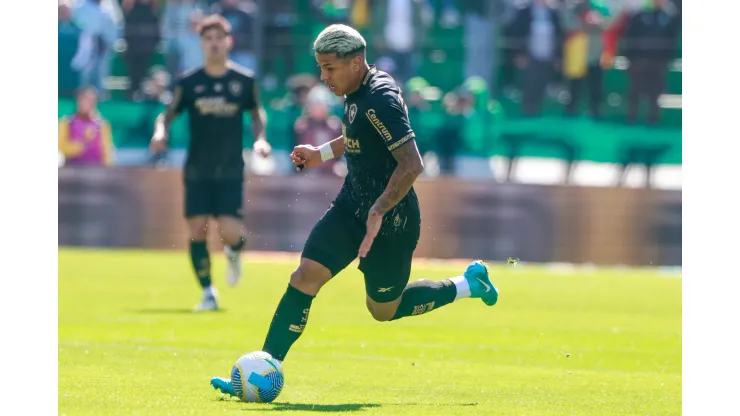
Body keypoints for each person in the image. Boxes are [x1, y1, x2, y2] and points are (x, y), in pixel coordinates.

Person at [209, 24, 499, 395]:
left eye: (329, 68)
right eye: (320, 68)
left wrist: (378, 211)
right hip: (351, 207)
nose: (323, 77)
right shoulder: (355, 89)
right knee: (304, 277)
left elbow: (411, 164)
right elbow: (357, 134)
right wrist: (320, 153)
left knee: (383, 310)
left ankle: (467, 285)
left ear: (356, 61)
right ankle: (264, 369)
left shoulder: (381, 97)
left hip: (391, 221)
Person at [149, 14, 271, 311]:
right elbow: (167, 114)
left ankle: (233, 253)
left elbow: (256, 114)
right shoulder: (189, 82)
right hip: (198, 169)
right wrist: (160, 132)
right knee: (197, 229)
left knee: (231, 232)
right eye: (208, 39)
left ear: (228, 42)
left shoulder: (243, 81)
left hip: (230, 168)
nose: (214, 44)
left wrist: (260, 140)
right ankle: (207, 293)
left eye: (219, 38)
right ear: (202, 43)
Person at [58, 86, 115, 167]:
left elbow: (107, 152)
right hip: (72, 171)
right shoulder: (66, 122)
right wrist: (83, 142)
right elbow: (61, 148)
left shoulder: (102, 124)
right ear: (77, 101)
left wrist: (109, 170)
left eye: (90, 100)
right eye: (83, 99)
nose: (85, 103)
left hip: (97, 172)